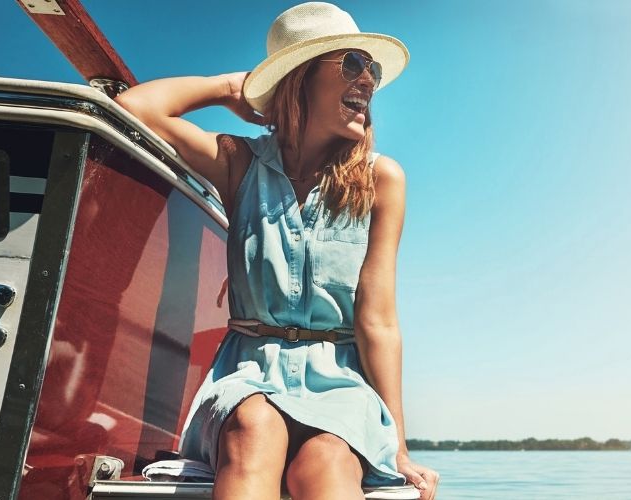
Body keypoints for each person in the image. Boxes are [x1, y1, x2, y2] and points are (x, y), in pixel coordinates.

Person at [114, 2, 439, 499]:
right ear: (300, 78)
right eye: (352, 63)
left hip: (341, 381)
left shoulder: (380, 180)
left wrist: (397, 443)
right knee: (252, 429)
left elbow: (378, 320)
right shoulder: (238, 162)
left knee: (328, 461)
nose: (369, 79)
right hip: (248, 371)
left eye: (372, 68)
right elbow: (136, 109)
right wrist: (228, 89)